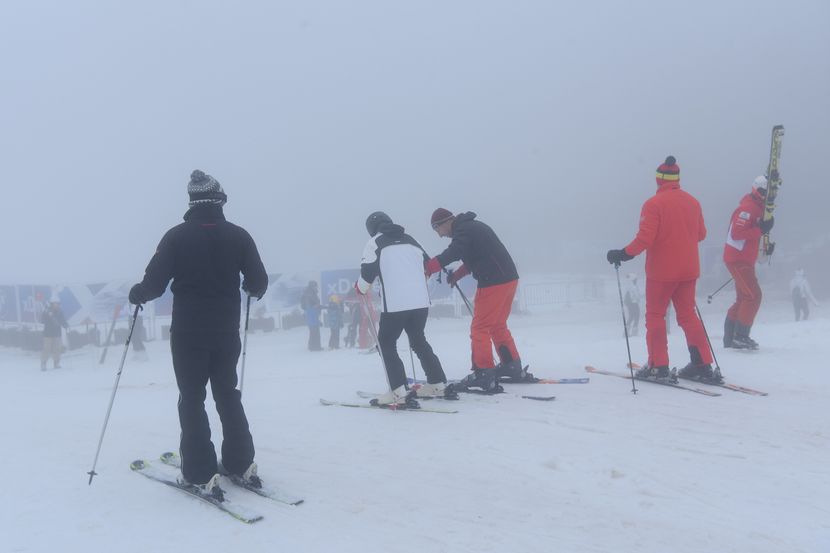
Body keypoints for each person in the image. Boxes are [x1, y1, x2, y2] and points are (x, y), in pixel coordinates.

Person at [128, 170, 268, 499]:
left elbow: (154, 284)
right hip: (226, 330)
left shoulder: (176, 237)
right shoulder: (239, 236)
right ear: (219, 200)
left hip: (189, 332)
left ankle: (199, 472)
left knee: (192, 398)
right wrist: (250, 287)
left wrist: (138, 293)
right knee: (227, 393)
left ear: (192, 202)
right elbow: (258, 282)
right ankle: (240, 463)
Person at [606, 156, 719, 383]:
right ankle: (702, 364)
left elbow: (645, 239)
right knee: (688, 315)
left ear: (658, 179)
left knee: (655, 315)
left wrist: (623, 254)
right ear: (677, 178)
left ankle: (658, 366)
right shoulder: (693, 202)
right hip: (689, 270)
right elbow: (701, 234)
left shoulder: (653, 204)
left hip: (662, 272)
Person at [355, 211, 455, 406]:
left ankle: (398, 391)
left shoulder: (374, 242)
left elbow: (367, 273)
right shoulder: (411, 240)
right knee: (418, 340)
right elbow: (428, 267)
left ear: (371, 229)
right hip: (420, 302)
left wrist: (361, 287)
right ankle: (437, 384)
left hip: (396, 304)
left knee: (386, 343)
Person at [425, 208, 526, 392]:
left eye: (437, 229)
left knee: (480, 327)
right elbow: (475, 257)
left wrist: (430, 266)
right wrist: (458, 274)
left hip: (493, 281)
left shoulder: (464, 230)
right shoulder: (472, 227)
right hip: (508, 279)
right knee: (497, 325)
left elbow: (454, 252)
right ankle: (511, 365)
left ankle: (484, 372)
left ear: (445, 222)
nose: (440, 235)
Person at [722, 175, 774, 349]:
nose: (765, 195)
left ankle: (730, 338)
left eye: (768, 192)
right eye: (763, 191)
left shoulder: (758, 208)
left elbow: (754, 235)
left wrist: (765, 247)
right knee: (753, 296)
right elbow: (737, 234)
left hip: (744, 259)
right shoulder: (748, 208)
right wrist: (760, 229)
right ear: (756, 190)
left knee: (743, 298)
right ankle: (741, 336)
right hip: (738, 259)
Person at [41, 299, 68, 370]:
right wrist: (47, 315)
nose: (56, 305)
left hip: (57, 333)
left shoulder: (60, 312)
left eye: (57, 304)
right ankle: (43, 363)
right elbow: (42, 321)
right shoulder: (46, 311)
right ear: (51, 304)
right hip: (48, 334)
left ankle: (56, 363)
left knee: (57, 349)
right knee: (46, 349)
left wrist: (65, 325)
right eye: (55, 304)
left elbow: (62, 320)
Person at [300, 281, 322, 351]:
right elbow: (311, 304)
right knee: (315, 330)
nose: (316, 287)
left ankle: (312, 346)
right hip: (312, 314)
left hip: (311, 314)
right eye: (315, 286)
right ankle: (315, 347)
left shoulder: (309, 293)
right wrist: (315, 306)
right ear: (312, 286)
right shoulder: (310, 294)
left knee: (313, 330)